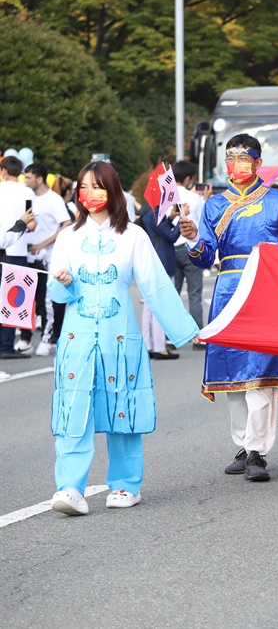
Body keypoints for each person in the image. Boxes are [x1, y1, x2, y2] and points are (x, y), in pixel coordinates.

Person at [46, 161, 198, 515]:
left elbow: (156, 286)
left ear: (112, 191)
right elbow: (56, 292)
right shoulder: (68, 236)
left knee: (123, 409)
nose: (89, 195)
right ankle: (70, 488)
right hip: (77, 337)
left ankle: (126, 485)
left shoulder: (133, 235)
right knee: (74, 412)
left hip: (120, 337)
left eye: (98, 187)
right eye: (83, 188)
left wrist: (188, 330)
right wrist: (62, 283)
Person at [180, 134, 278, 482]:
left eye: (244, 159)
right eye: (231, 159)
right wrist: (191, 238)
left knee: (260, 370)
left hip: (264, 287)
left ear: (258, 163)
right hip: (228, 290)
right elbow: (205, 255)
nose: (236, 166)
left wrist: (268, 249)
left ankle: (257, 451)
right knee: (233, 371)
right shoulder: (215, 205)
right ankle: (243, 444)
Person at [23, 163, 72, 356]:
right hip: (26, 254)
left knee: (47, 299)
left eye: (28, 178)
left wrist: (44, 244)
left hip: (49, 256)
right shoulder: (26, 196)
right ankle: (25, 339)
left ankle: (47, 338)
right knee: (25, 297)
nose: (25, 181)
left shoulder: (54, 199)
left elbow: (66, 224)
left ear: (39, 178)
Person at [138, 198, 183, 360]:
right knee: (160, 305)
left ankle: (149, 345)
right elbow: (171, 236)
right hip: (161, 262)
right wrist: (182, 220)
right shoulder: (155, 212)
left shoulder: (147, 210)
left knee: (150, 308)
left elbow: (161, 231)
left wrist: (171, 218)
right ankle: (159, 347)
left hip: (151, 261)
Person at [0, 155, 34, 358]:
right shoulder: (27, 192)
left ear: (3, 171)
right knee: (14, 299)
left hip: (3, 248)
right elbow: (31, 222)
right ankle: (6, 346)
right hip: (18, 249)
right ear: (19, 171)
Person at [171, 160, 206, 341]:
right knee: (194, 294)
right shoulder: (195, 198)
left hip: (170, 249)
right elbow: (201, 225)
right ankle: (197, 336)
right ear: (187, 179)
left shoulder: (165, 195)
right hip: (191, 248)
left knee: (172, 295)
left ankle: (171, 337)